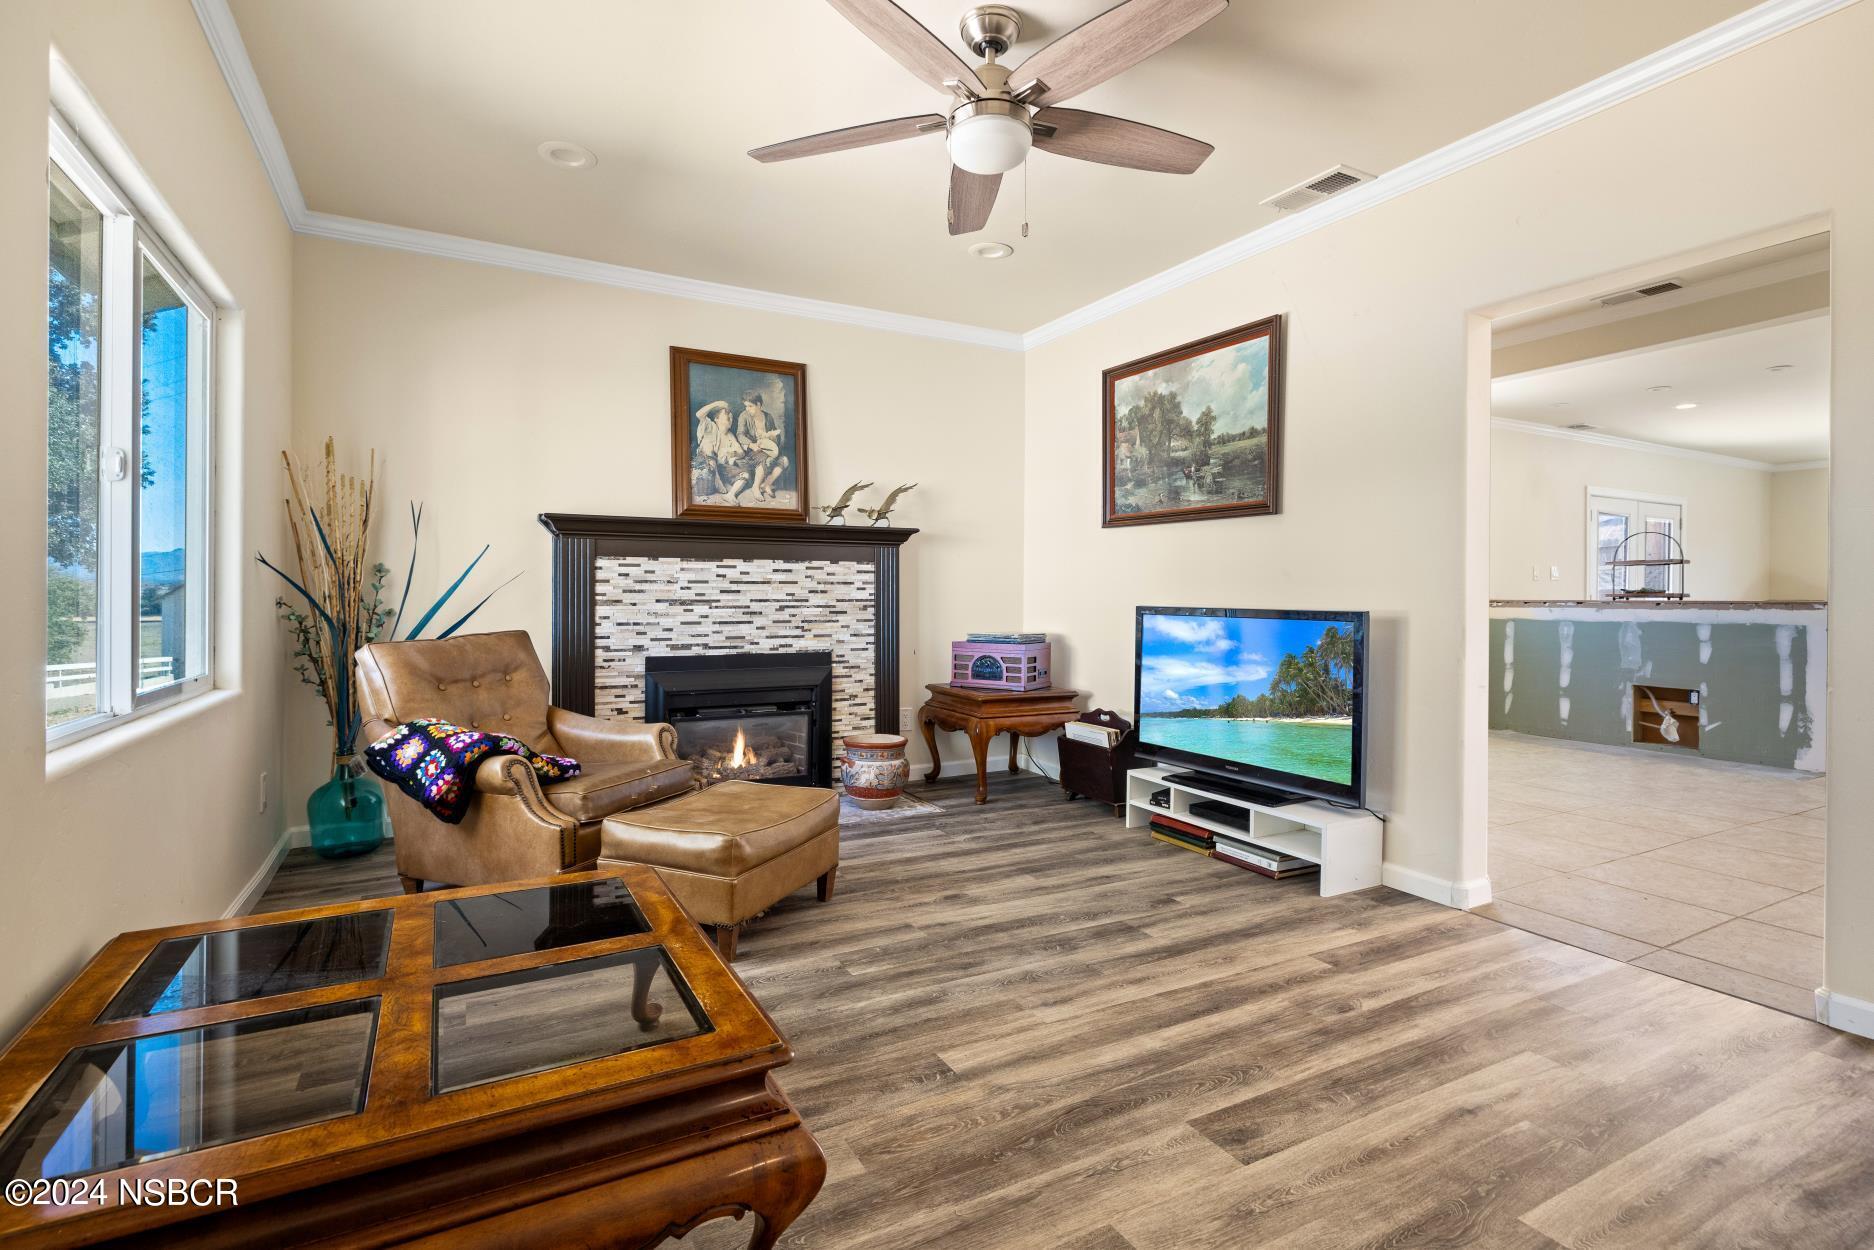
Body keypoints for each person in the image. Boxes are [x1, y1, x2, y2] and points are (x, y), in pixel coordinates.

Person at [735, 390, 790, 501]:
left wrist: (774, 437)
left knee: (784, 460)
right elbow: (739, 435)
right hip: (752, 451)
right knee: (763, 458)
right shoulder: (744, 416)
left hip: (767, 449)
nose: (747, 409)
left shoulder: (768, 417)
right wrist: (751, 445)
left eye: (750, 406)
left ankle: (766, 484)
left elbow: (776, 436)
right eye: (746, 406)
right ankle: (755, 487)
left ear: (759, 405)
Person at [692, 400, 750, 503]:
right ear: (716, 419)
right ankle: (716, 478)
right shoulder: (711, 427)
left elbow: (741, 452)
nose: (730, 417)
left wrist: (733, 454)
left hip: (722, 467)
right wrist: (717, 404)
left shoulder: (730, 435)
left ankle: (731, 495)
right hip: (705, 464)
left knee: (745, 475)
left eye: (731, 416)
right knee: (707, 445)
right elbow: (699, 414)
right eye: (726, 414)